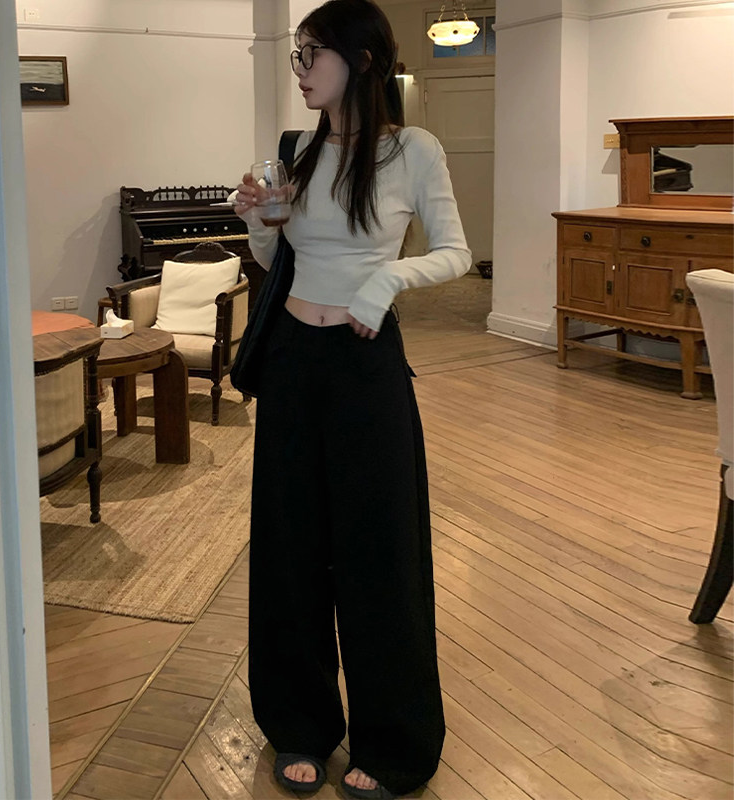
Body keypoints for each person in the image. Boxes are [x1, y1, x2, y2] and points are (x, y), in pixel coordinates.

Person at [234, 1, 471, 797]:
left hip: (367, 364)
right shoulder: (295, 150)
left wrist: (386, 280)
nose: (301, 71)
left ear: (362, 60)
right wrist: (259, 222)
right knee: (290, 548)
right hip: (293, 362)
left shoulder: (414, 150)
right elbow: (277, 258)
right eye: (297, 56)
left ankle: (394, 739)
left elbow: (455, 253)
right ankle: (299, 724)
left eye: (314, 55)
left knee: (380, 551)